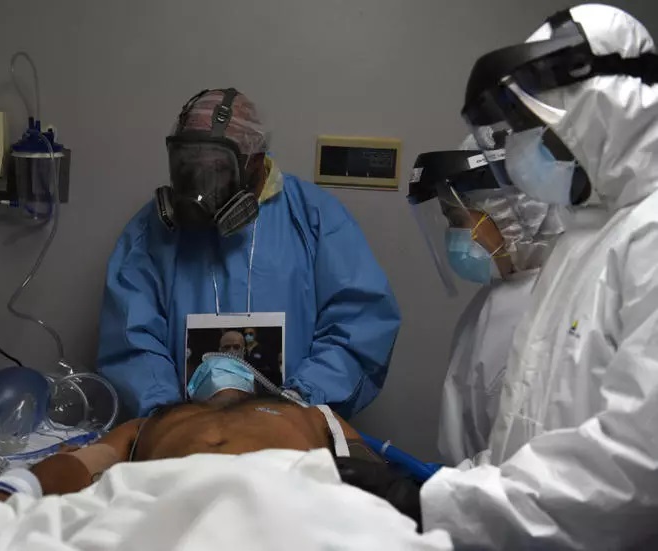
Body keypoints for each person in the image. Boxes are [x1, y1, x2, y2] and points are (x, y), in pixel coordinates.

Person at [420, 5, 658, 548]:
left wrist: (439, 503)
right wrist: (442, 490)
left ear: (600, 111)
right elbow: (522, 435)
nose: (525, 151)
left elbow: (638, 466)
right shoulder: (579, 244)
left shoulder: (649, 233)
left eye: (536, 130)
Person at [98, 88, 401, 418]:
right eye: (188, 167)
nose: (199, 186)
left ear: (255, 162)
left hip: (294, 432)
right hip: (182, 439)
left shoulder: (316, 218)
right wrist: (169, 417)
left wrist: (303, 399)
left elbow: (360, 325)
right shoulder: (152, 231)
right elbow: (130, 342)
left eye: (216, 170)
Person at [0, 356, 450, 549]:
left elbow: (366, 473)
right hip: (157, 500)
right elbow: (81, 464)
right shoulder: (151, 422)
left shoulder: (312, 414)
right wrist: (6, 492)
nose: (218, 373)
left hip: (285, 493)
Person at [407, 143, 564, 465]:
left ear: (515, 219)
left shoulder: (544, 311)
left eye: (458, 219)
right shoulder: (498, 298)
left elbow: (525, 459)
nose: (454, 235)